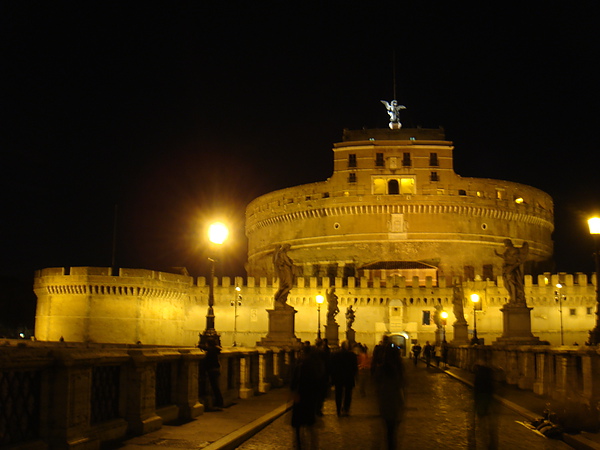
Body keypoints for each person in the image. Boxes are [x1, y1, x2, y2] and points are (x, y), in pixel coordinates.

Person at [371, 335, 406, 450]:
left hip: (385, 400)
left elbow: (376, 381)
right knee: (393, 429)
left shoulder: (382, 368)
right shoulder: (399, 369)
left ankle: (387, 444)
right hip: (396, 400)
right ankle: (392, 446)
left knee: (388, 428)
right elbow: (403, 384)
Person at [291, 343, 323, 449]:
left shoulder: (301, 365)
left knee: (298, 423)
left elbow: (295, 382)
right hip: (311, 397)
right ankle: (313, 445)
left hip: (301, 396)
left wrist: (294, 392)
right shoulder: (315, 365)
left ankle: (299, 443)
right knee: (310, 422)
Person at [330, 340, 358, 416]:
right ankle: (346, 409)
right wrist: (354, 375)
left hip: (338, 377)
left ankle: (338, 409)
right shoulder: (352, 355)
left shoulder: (335, 355)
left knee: (338, 393)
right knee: (348, 394)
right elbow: (355, 367)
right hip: (348, 376)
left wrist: (332, 376)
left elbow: (332, 366)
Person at [204, 339, 224, 409]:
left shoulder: (211, 351)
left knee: (215, 387)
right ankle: (219, 402)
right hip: (216, 369)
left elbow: (207, 360)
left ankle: (219, 402)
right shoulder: (216, 350)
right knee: (216, 386)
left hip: (212, 369)